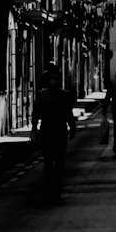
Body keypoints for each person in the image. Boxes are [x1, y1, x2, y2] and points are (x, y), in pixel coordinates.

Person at [31, 63, 76, 197]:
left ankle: (56, 184)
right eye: (52, 78)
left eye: (56, 78)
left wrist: (72, 127)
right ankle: (51, 184)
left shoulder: (64, 95)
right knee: (49, 160)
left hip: (60, 131)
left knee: (59, 160)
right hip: (48, 131)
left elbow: (68, 113)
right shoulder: (42, 95)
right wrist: (34, 128)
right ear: (48, 80)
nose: (54, 81)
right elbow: (36, 113)